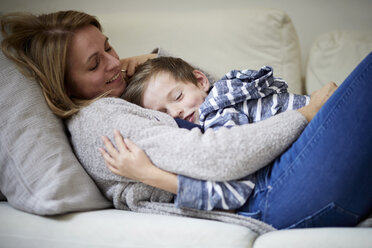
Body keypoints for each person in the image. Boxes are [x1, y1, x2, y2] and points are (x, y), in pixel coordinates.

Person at [1, 10, 371, 230]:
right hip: (275, 190)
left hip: (278, 177)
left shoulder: (121, 93)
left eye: (108, 47)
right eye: (94, 64)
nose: (114, 63)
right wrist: (307, 113)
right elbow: (215, 156)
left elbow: (210, 96)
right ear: (66, 86)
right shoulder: (99, 120)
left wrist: (149, 60)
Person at [123, 56, 310, 131]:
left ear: (202, 81)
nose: (174, 113)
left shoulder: (215, 107)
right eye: (162, 113)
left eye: (178, 97)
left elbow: (227, 151)